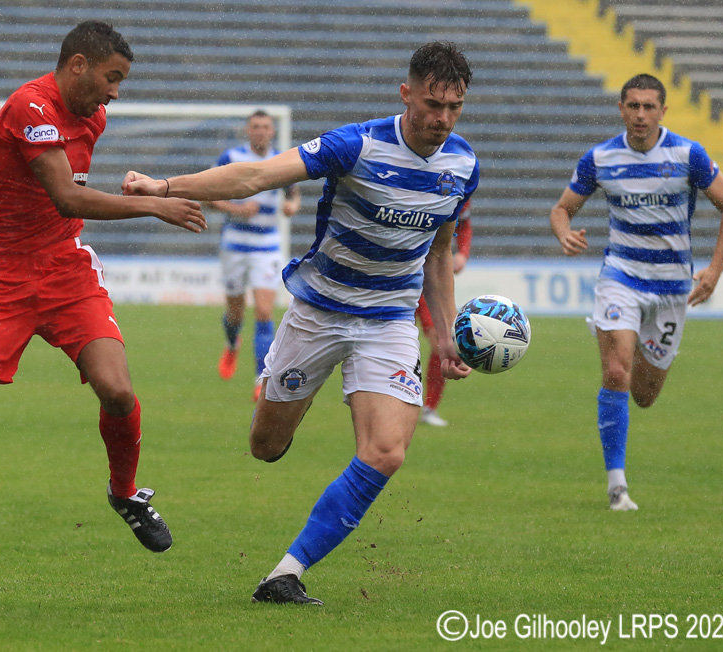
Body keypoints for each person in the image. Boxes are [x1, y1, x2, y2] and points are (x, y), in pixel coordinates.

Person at [123, 41, 478, 605]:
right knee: (265, 445)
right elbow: (256, 177)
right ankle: (289, 388)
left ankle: (286, 573)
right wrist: (164, 186)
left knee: (386, 451)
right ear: (406, 93)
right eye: (433, 104)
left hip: (388, 321)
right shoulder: (355, 144)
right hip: (319, 312)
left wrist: (446, 331)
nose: (442, 119)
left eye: (454, 107)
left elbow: (436, 254)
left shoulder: (463, 165)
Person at [0, 21, 206, 601]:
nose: (115, 92)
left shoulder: (85, 114)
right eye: (112, 78)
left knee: (117, 391)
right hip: (4, 277)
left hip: (66, 270)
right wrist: (154, 206)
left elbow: (45, 158)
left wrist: (7, 139)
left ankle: (125, 494)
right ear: (79, 65)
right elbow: (66, 193)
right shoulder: (30, 104)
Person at [549, 73, 723, 511]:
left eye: (648, 106)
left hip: (672, 288)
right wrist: (563, 233)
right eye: (632, 106)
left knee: (645, 394)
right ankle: (617, 486)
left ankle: (621, 337)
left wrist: (713, 270)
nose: (640, 115)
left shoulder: (688, 155)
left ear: (662, 111)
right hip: (621, 276)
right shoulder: (600, 158)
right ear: (620, 108)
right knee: (616, 373)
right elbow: (562, 208)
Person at [210, 111, 301, 400]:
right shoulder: (231, 157)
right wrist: (236, 210)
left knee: (264, 311)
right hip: (234, 243)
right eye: (255, 127)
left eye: (265, 127)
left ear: (272, 131)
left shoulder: (281, 160)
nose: (260, 131)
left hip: (267, 245)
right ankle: (231, 342)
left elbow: (293, 194)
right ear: (247, 131)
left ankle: (260, 379)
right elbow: (208, 198)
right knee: (236, 311)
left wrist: (292, 206)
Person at [417, 199, 472, 427]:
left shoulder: (459, 185)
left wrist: (462, 253)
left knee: (440, 341)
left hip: (427, 279)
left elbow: (465, 224)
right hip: (400, 274)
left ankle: (429, 407)